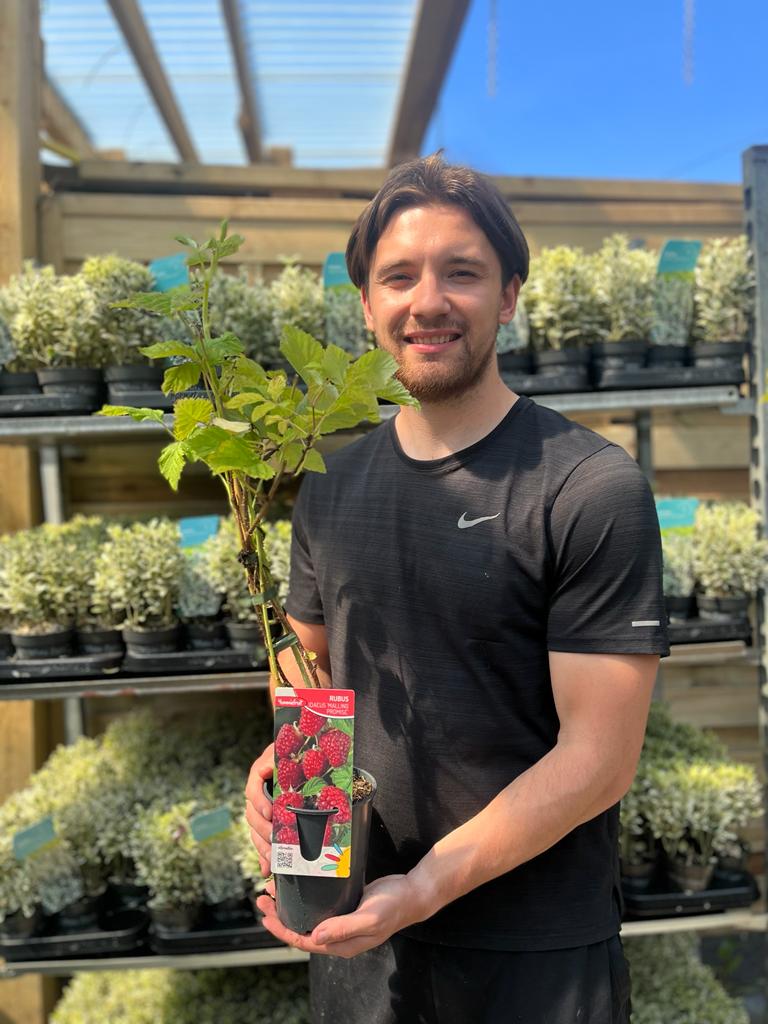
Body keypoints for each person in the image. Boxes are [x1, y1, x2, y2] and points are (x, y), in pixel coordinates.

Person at [245, 154, 669, 1024]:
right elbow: (306, 671)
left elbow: (599, 761)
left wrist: (427, 886)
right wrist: (283, 772)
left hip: (534, 955)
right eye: (398, 276)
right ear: (366, 302)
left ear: (509, 294)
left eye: (462, 273)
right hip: (358, 925)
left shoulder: (587, 486)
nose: (427, 301)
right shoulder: (329, 478)